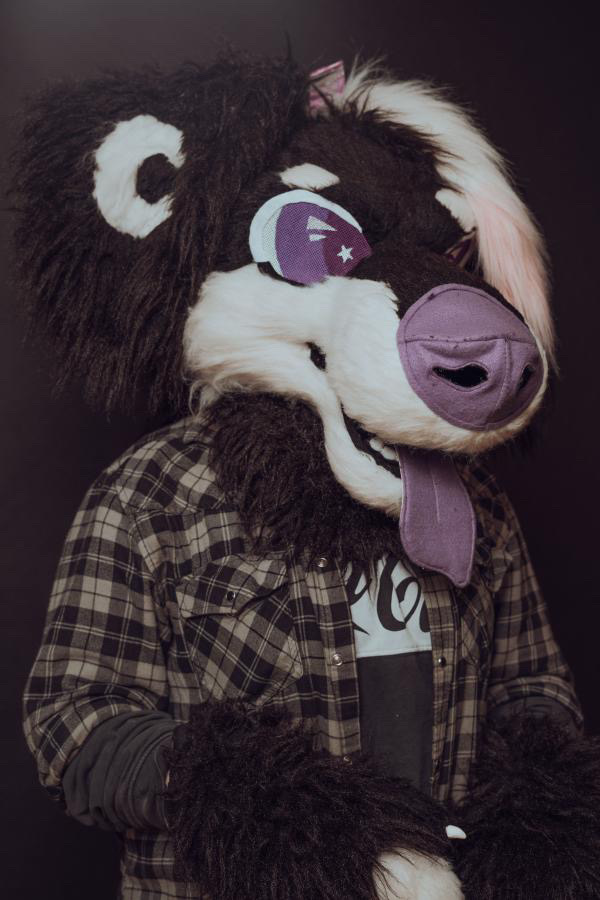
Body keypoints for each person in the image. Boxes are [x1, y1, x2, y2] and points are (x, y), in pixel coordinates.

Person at [19, 54, 598, 899]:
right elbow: (72, 728)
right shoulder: (149, 498)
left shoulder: (473, 500)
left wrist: (530, 830)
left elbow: (532, 686)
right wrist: (269, 812)